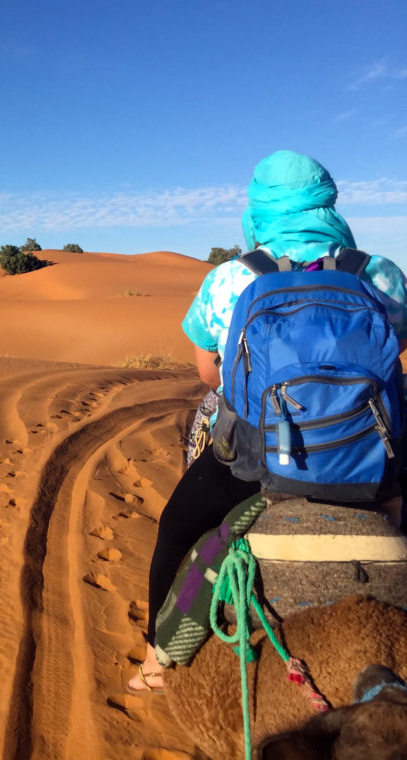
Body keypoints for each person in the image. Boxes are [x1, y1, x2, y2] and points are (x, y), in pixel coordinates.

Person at [128, 150, 407, 695]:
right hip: (372, 457)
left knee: (178, 527)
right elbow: (396, 354)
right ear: (327, 201)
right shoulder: (378, 272)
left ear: (257, 208)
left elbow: (209, 371)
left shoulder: (230, 278)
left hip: (260, 457)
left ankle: (158, 659)